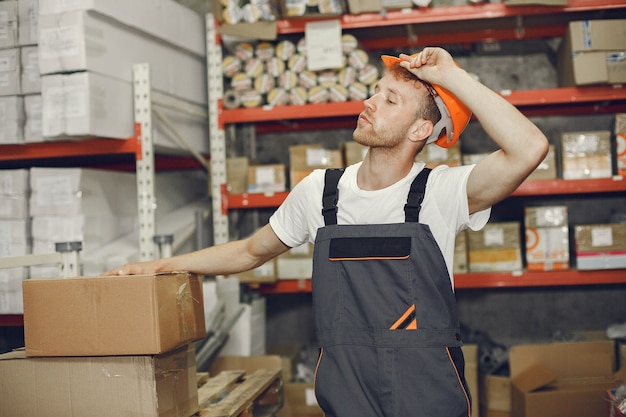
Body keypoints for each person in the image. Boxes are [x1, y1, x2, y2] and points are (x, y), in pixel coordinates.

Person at [104, 47, 548, 417]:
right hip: (347, 390)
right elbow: (248, 253)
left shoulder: (442, 191)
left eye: (391, 100)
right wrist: (162, 265)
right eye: (376, 92)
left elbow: (530, 148)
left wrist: (451, 75)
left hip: (426, 390)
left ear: (421, 129)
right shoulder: (322, 192)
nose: (370, 102)